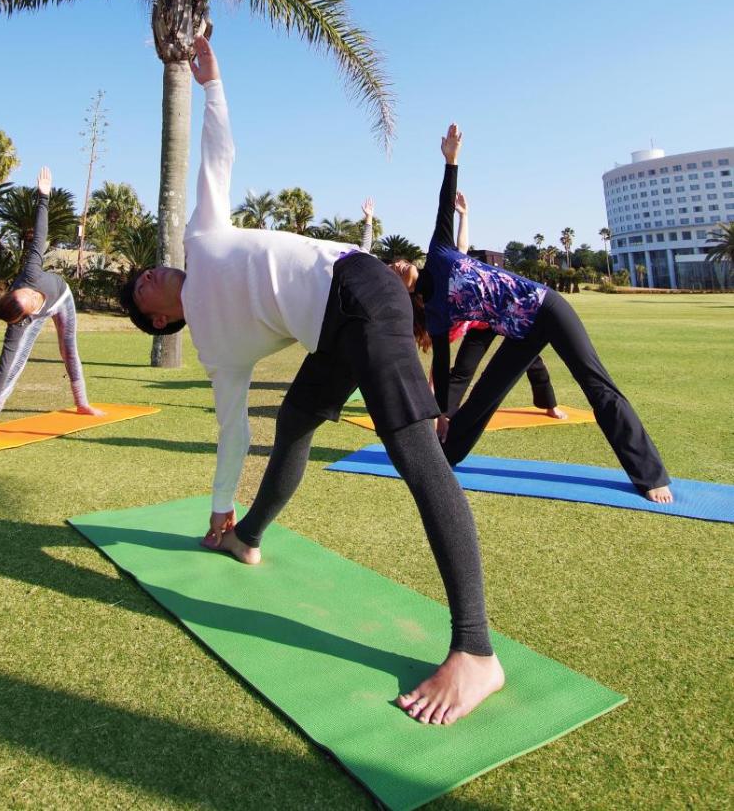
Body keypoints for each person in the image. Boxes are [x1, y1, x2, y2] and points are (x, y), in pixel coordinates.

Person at [121, 38, 504, 725]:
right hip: (332, 329)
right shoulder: (216, 351)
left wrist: (213, 85)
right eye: (140, 287)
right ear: (158, 320)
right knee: (293, 421)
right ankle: (246, 536)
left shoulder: (200, 238)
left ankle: (476, 651)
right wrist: (220, 508)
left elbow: (217, 156)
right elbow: (232, 430)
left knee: (415, 452)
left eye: (144, 271)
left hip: (360, 289)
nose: (146, 274)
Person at [406, 127, 672, 503]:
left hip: (546, 306)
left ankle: (649, 475)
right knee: (484, 394)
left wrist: (451, 162)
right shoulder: (436, 314)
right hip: (521, 331)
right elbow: (444, 370)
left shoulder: (439, 251)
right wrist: (442, 415)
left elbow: (444, 203)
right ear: (405, 296)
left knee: (597, 385)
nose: (395, 266)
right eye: (391, 271)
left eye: (395, 263)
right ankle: (446, 454)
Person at [0, 166, 102, 441]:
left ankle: (82, 403)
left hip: (63, 297)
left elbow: (40, 236)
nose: (34, 295)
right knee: (15, 366)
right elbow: (3, 369)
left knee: (68, 348)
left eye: (29, 294)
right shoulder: (19, 325)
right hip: (36, 318)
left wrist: (43, 196)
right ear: (24, 316)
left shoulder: (30, 273)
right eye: (31, 301)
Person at [445, 192, 565, 421]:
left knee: (533, 361)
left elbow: (462, 247)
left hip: (508, 315)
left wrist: (464, 215)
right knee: (463, 368)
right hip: (482, 322)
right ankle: (445, 414)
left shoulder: (458, 266)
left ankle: (549, 405)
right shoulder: (444, 277)